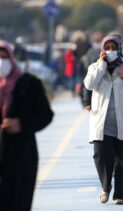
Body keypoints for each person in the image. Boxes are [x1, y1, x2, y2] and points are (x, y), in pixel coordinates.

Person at [84, 35, 123, 205]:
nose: (110, 50)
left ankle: (121, 194)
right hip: (102, 124)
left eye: (113, 47)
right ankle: (105, 187)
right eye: (107, 47)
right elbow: (89, 85)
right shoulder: (95, 66)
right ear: (102, 49)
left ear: (119, 48)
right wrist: (101, 65)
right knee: (100, 155)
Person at [0, 40, 54, 211]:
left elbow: (45, 115)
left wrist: (22, 124)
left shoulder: (29, 84)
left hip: (21, 154)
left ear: (11, 58)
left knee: (18, 201)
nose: (1, 62)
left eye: (4, 57)